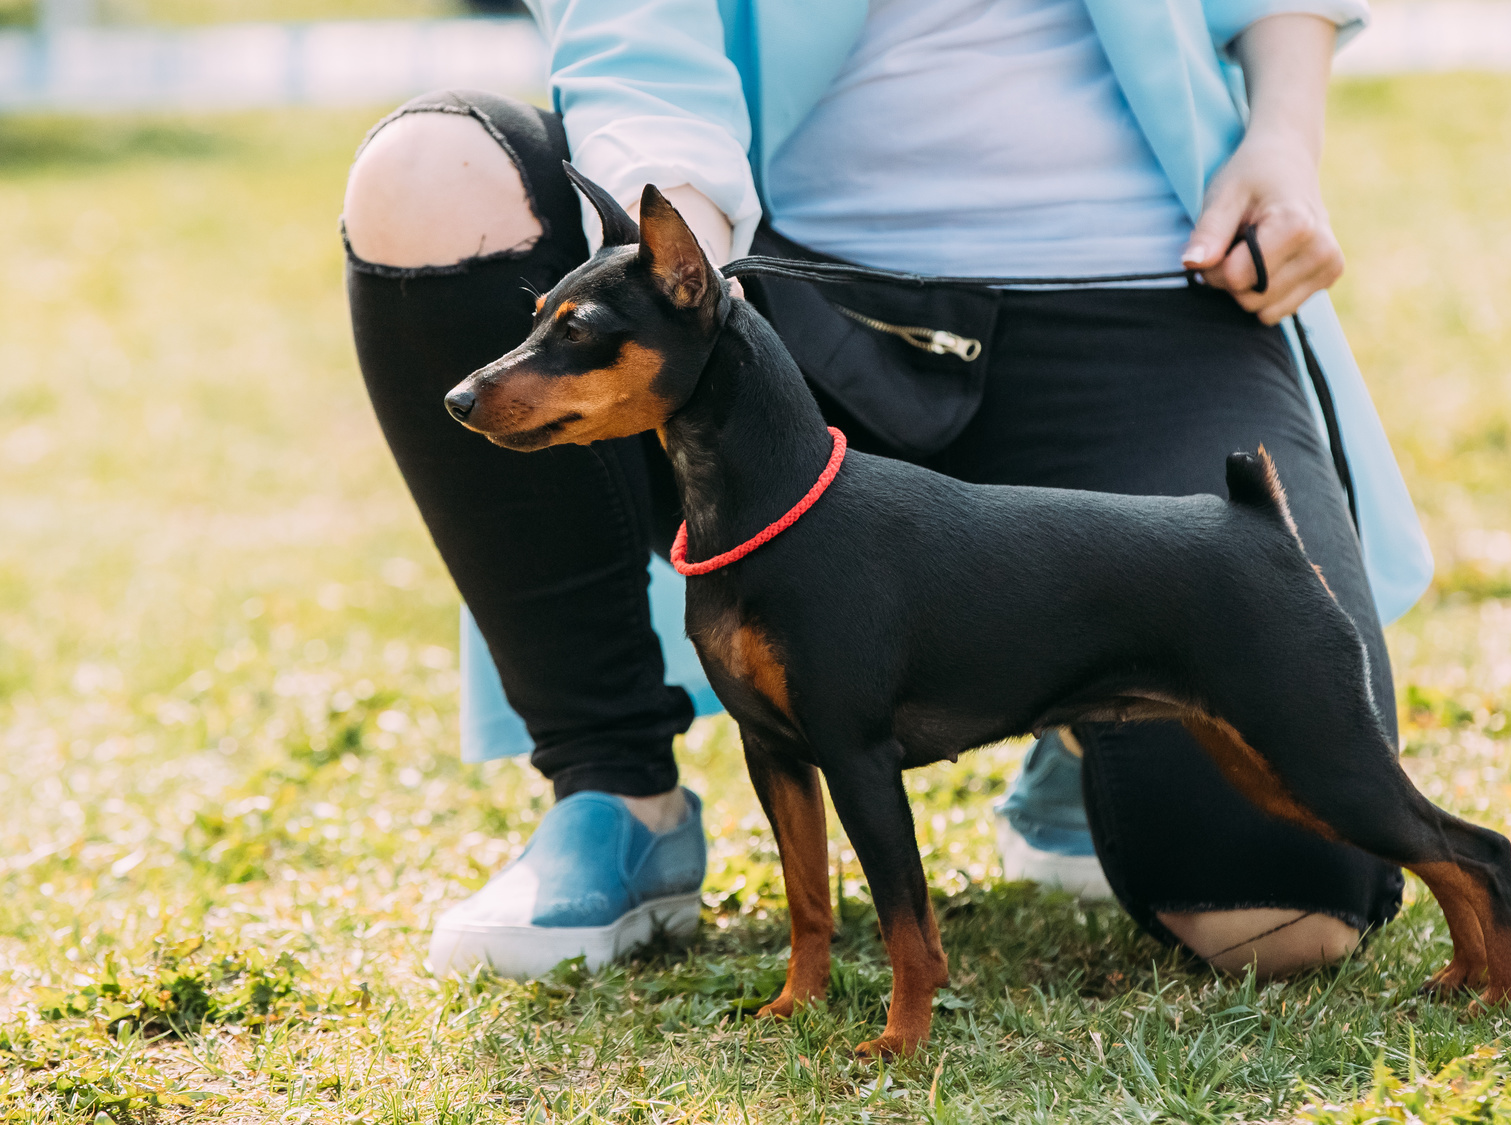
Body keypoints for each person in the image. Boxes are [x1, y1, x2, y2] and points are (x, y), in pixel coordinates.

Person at [340, 0, 1434, 981]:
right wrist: (684, 268)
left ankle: (1067, 713)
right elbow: (636, 35)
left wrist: (1281, 139)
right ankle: (614, 789)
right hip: (800, 295)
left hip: (1152, 282)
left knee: (1288, 923)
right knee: (434, 171)